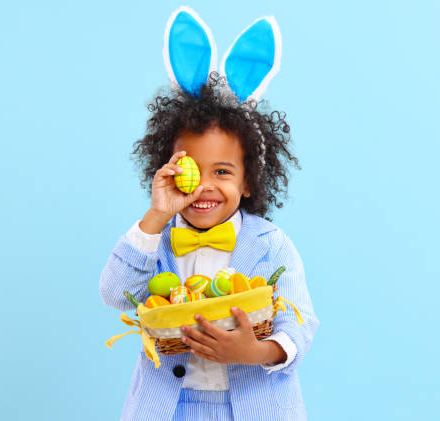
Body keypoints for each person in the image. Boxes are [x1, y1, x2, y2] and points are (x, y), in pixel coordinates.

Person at [100, 7, 318, 420]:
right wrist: (154, 217)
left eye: (223, 172)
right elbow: (114, 294)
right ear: (166, 170)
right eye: (191, 170)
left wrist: (256, 351)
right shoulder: (156, 237)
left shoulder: (272, 245)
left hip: (253, 408)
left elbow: (301, 324)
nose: (205, 186)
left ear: (249, 181)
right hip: (167, 408)